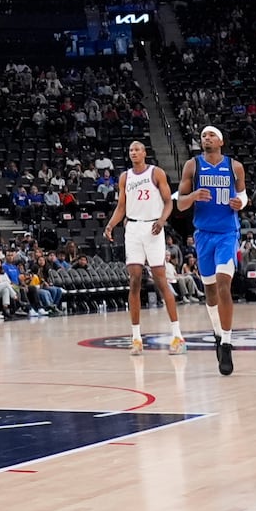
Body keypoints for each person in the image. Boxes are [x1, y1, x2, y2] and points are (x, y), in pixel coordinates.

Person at [173, 125, 247, 375]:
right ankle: (217, 331)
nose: (207, 138)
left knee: (225, 283)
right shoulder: (192, 166)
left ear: (221, 141)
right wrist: (193, 195)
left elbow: (244, 197)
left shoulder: (234, 167)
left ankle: (226, 341)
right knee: (210, 290)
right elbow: (180, 205)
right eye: (204, 135)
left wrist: (240, 202)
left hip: (227, 233)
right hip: (203, 235)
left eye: (211, 134)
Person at [103, 140, 186, 353]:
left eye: (137, 149)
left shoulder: (156, 173)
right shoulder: (124, 177)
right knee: (134, 281)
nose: (134, 152)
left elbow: (169, 203)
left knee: (161, 280)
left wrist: (162, 221)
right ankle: (136, 338)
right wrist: (111, 225)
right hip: (133, 229)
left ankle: (177, 336)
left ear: (144, 153)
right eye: (130, 149)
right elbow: (121, 207)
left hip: (153, 229)